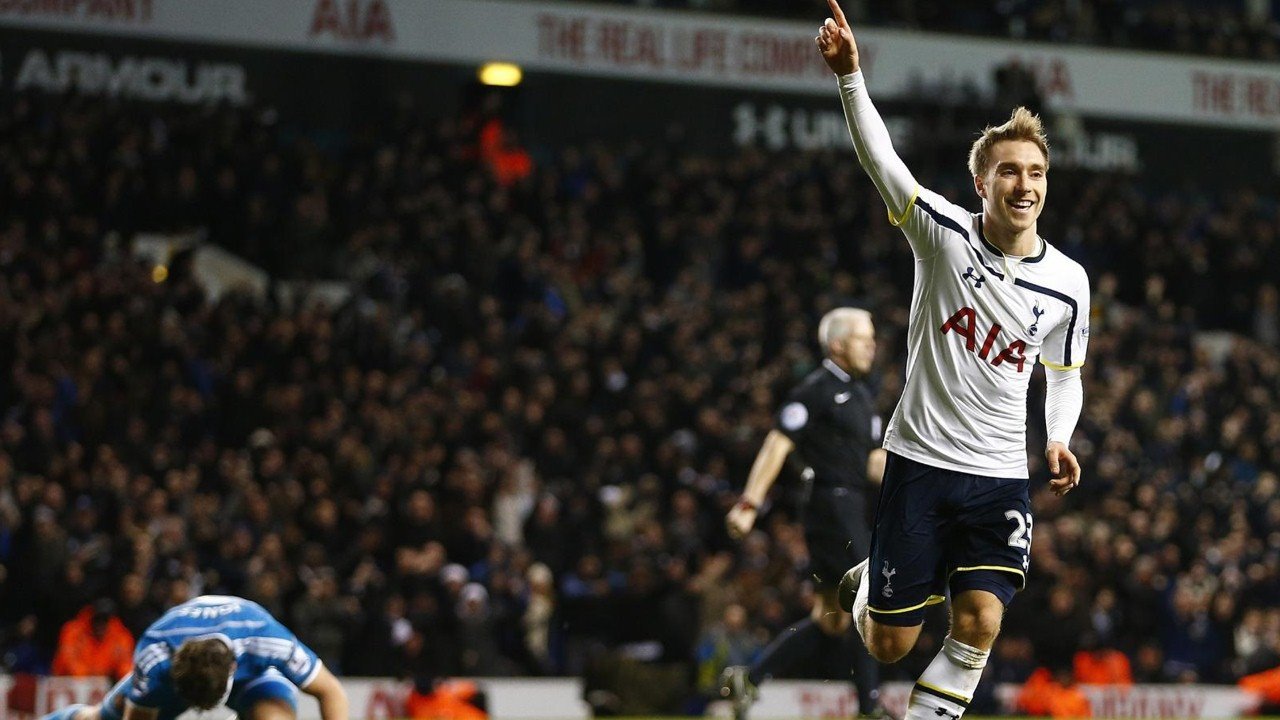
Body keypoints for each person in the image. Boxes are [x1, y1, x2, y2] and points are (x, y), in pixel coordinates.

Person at [815, 2, 1091, 719]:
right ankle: (869, 584)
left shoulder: (1069, 282)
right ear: (982, 183)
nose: (1025, 184)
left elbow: (1064, 374)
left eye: (1036, 172)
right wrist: (850, 77)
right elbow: (882, 161)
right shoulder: (942, 236)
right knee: (889, 646)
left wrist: (1058, 436)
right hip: (921, 463)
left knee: (980, 622)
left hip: (999, 476)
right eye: (1009, 171)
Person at [720, 308, 886, 720]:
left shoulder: (862, 395)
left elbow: (872, 463)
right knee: (870, 597)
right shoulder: (816, 390)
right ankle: (870, 709)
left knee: (832, 620)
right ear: (837, 345)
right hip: (830, 504)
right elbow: (778, 443)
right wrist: (749, 504)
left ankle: (750, 678)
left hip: (848, 504)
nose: (872, 345)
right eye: (862, 338)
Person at [41, 595, 349, 720]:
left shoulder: (264, 638)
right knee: (100, 719)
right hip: (172, 680)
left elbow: (331, 691)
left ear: (233, 667)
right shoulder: (156, 657)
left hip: (252, 674)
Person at [51, 599, 135, 680]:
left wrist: (125, 681)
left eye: (105, 620)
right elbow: (68, 660)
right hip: (69, 681)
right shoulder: (73, 631)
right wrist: (90, 676)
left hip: (104, 682)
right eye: (97, 619)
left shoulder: (120, 635)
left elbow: (126, 665)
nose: (101, 624)